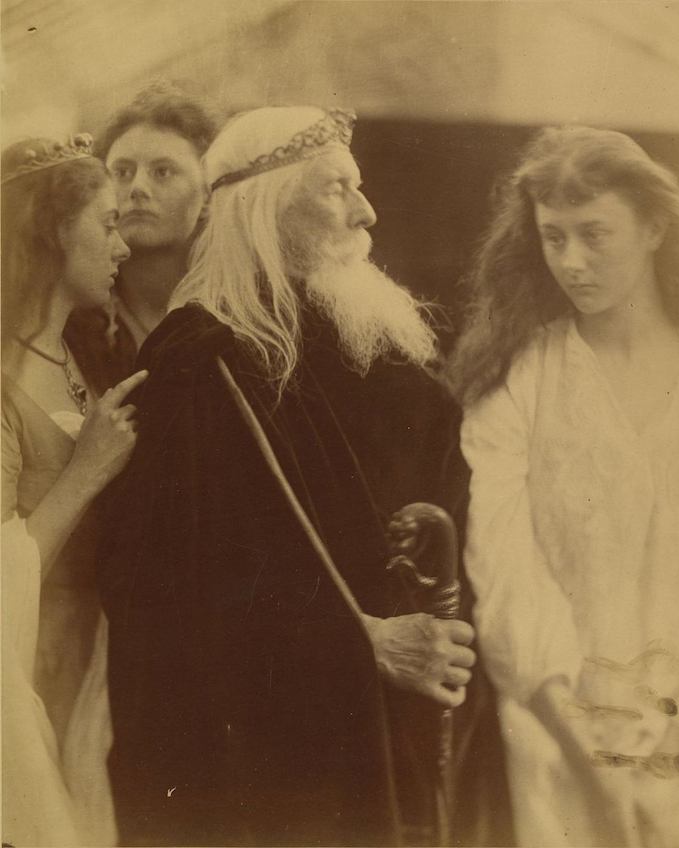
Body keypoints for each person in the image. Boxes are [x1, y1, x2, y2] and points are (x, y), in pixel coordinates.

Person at [98, 106, 486, 847]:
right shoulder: (198, 364)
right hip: (267, 771)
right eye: (337, 189)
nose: (366, 213)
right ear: (264, 208)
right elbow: (162, 595)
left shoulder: (375, 354)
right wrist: (358, 642)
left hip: (396, 738)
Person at [447, 125, 679, 847]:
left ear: (653, 228)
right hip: (551, 733)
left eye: (594, 234)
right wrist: (585, 753)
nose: (571, 261)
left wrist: (674, 733)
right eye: (553, 237)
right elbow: (504, 569)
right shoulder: (519, 381)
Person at [1, 135, 147, 845]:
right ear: (57, 231)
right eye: (109, 224)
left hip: (98, 669)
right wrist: (87, 468)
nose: (123, 246)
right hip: (29, 679)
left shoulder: (84, 353)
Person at [63, 80, 219, 395]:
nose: (137, 188)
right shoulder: (73, 321)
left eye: (163, 172)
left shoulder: (232, 312)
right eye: (122, 172)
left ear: (207, 193)